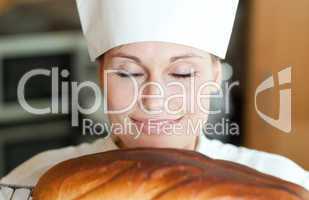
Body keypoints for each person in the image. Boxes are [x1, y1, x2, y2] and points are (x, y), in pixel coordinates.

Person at [1, 1, 308, 198]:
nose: (153, 100)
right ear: (101, 77)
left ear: (215, 78)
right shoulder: (29, 184)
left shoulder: (283, 182)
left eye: (183, 73)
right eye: (129, 73)